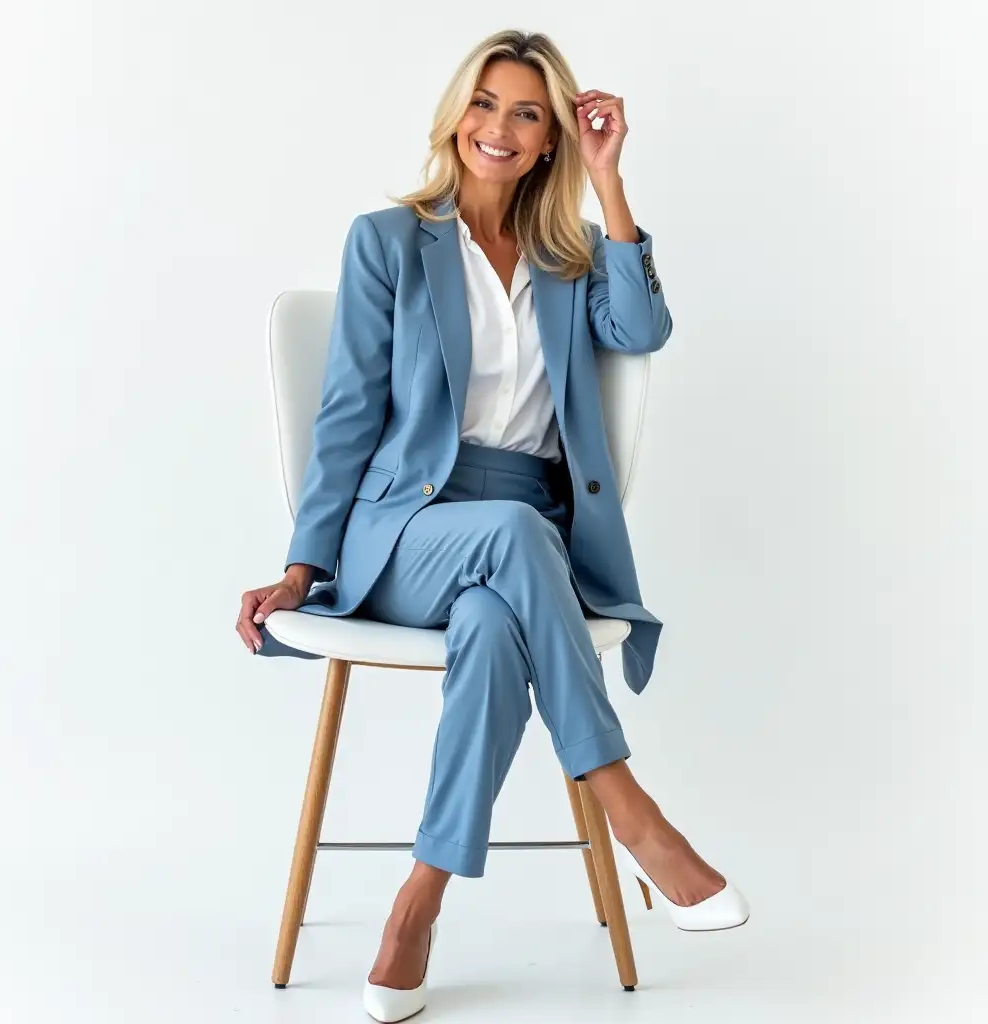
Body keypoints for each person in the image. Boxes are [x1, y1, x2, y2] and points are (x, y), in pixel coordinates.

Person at [236, 28, 749, 1023]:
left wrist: (610, 183)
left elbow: (642, 331)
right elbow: (344, 419)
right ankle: (632, 812)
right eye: (484, 104)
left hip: (527, 537)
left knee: (492, 622)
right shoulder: (388, 243)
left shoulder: (572, 258)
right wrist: (304, 569)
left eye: (525, 112)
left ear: (552, 135)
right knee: (514, 535)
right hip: (407, 531)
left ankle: (416, 908)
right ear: (456, 115)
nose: (498, 129)